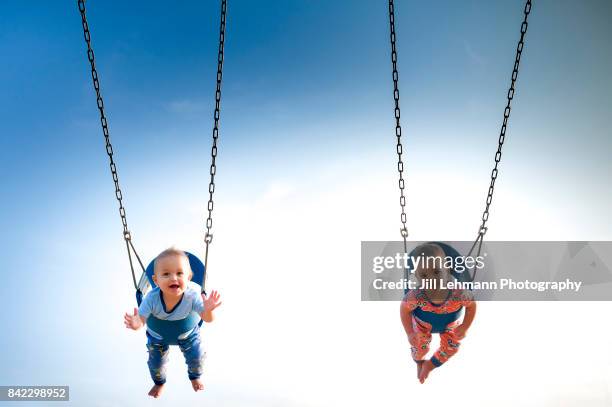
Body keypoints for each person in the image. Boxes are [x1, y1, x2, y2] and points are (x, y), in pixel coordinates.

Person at [123, 247, 222, 398]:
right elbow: (141, 319)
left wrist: (208, 310)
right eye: (166, 274)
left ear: (189, 277)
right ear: (155, 280)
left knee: (197, 356)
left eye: (179, 273)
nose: (174, 278)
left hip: (188, 334)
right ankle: (159, 382)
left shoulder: (192, 297)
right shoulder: (151, 298)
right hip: (157, 336)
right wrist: (136, 323)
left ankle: (195, 377)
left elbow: (208, 319)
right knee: (156, 363)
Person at [400, 243, 476, 384]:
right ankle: (419, 361)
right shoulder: (416, 295)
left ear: (447, 270)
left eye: (436, 272)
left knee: (452, 346)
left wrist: (465, 326)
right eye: (423, 275)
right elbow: (404, 310)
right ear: (416, 277)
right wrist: (409, 332)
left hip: (449, 325)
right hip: (422, 325)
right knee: (419, 345)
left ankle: (430, 365)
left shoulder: (458, 292)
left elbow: (471, 305)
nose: (431, 279)